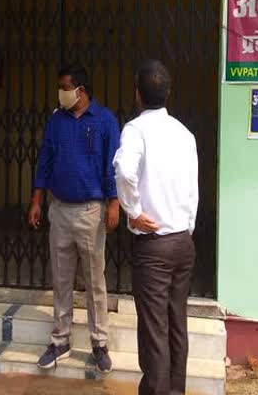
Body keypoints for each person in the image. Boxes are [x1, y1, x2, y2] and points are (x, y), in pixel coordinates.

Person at [28, 63, 120, 373]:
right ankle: (60, 339)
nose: (61, 93)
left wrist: (114, 203)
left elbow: (112, 167)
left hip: (91, 211)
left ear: (80, 90)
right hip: (60, 208)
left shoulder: (105, 121)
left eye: (64, 87)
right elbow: (45, 159)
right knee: (61, 277)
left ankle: (99, 342)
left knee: (95, 280)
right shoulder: (57, 121)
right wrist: (37, 199)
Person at [113, 59, 199, 395]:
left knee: (154, 331)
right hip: (182, 243)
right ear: (168, 91)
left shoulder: (136, 130)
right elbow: (193, 189)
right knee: (177, 324)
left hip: (154, 245)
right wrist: (186, 226)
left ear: (137, 92)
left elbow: (123, 171)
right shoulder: (184, 133)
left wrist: (132, 211)